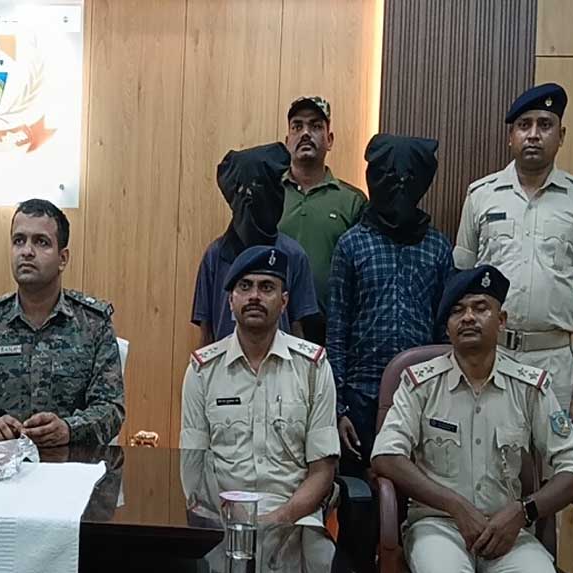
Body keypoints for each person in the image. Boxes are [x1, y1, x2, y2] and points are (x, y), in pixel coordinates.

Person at [371, 266, 573, 573]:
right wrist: (456, 506)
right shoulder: (420, 383)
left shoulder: (530, 386)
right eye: (458, 311)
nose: (469, 317)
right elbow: (386, 456)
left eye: (481, 307)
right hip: (438, 526)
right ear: (447, 326)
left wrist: (524, 511)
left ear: (502, 319)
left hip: (508, 530)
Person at [454, 82, 573, 430]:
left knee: (555, 460)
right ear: (510, 136)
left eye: (545, 125)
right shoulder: (481, 195)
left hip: (554, 361)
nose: (534, 135)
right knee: (487, 454)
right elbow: (460, 283)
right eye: (524, 125)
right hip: (490, 356)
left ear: (561, 135)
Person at [181, 245, 338, 526]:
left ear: (284, 301)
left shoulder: (313, 368)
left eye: (266, 287)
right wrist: (233, 519)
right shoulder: (202, 371)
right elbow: (193, 468)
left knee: (318, 551)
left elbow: (322, 470)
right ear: (231, 301)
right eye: (245, 286)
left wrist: (278, 518)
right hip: (222, 517)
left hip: (296, 517)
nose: (254, 296)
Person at [0, 198, 124, 447]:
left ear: (62, 258)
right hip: (0, 461)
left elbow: (111, 408)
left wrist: (69, 429)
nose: (27, 251)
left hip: (70, 462)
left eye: (41, 242)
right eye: (18, 241)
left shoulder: (94, 324)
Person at [327, 133, 453, 474]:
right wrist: (339, 409)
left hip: (422, 393)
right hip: (361, 395)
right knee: (360, 493)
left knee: (420, 489)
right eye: (390, 179)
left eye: (407, 180)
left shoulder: (438, 248)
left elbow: (445, 333)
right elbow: (336, 332)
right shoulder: (352, 245)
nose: (398, 188)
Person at [192, 142, 320, 347]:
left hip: (280, 363)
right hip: (226, 363)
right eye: (243, 190)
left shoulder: (293, 255)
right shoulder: (215, 255)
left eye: (259, 188)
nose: (250, 199)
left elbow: (298, 330)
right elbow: (206, 333)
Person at [278, 96, 367, 342]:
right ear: (287, 141)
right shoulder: (269, 194)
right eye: (297, 126)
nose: (306, 133)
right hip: (274, 327)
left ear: (329, 140)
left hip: (332, 331)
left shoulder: (352, 201)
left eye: (316, 126)